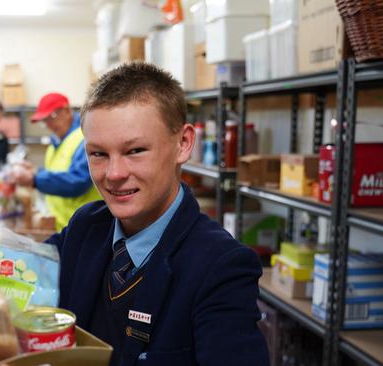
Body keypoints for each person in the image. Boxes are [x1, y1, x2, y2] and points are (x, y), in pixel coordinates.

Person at [45, 63, 269, 365]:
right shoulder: (86, 227)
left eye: (135, 151)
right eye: (98, 154)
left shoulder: (221, 267)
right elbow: (23, 270)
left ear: (183, 144)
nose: (113, 174)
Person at [13, 92, 101, 231]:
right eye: (44, 120)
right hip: (63, 227)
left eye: (52, 117)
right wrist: (35, 171)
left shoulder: (84, 138)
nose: (49, 125)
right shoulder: (56, 143)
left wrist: (35, 179)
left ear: (67, 110)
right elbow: (57, 173)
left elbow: (78, 181)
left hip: (86, 227)